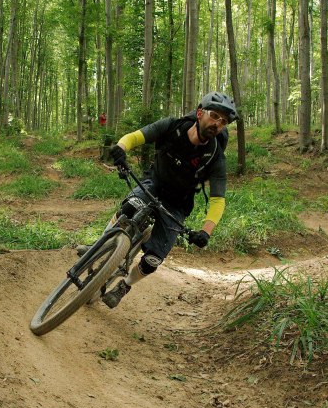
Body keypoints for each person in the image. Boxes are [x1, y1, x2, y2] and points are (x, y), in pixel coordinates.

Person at [87, 92, 237, 308]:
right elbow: (136, 136)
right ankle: (98, 245)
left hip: (178, 204)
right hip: (154, 183)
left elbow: (218, 200)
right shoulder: (172, 126)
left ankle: (124, 285)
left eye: (223, 121)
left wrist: (206, 231)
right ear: (199, 113)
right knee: (130, 207)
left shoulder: (215, 157)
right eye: (214, 116)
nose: (217, 123)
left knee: (153, 259)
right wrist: (121, 148)